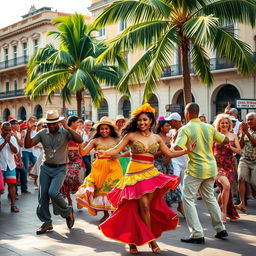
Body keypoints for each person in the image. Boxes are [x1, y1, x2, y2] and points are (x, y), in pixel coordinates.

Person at [97, 104, 196, 254]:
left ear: (151, 121)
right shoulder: (130, 136)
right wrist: (104, 153)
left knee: (144, 208)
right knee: (139, 206)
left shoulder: (156, 137)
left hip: (150, 174)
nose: (141, 123)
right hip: (133, 175)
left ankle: (136, 241)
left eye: (145, 120)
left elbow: (169, 153)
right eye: (139, 120)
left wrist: (187, 150)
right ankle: (149, 241)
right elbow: (117, 149)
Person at [174, 103, 229, 244]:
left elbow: (177, 148)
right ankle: (220, 229)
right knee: (210, 197)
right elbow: (226, 140)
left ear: (187, 114)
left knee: (188, 199)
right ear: (197, 113)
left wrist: (174, 143)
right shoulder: (209, 127)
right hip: (210, 168)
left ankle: (197, 234)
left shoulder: (185, 129)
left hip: (195, 170)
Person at [24, 110, 83, 235]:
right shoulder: (42, 133)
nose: (51, 126)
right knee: (43, 196)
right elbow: (28, 145)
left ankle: (68, 211)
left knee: (53, 192)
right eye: (49, 123)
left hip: (60, 168)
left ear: (58, 122)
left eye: (54, 123)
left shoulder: (66, 132)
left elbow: (80, 140)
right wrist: (29, 130)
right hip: (45, 167)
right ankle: (47, 223)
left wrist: (67, 127)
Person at [75, 116, 123, 223]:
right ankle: (106, 214)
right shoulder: (95, 140)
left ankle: (112, 214)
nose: (104, 131)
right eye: (102, 129)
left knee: (111, 190)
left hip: (114, 168)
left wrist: (118, 156)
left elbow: (125, 151)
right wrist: (79, 142)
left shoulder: (117, 139)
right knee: (100, 190)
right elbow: (83, 153)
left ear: (110, 129)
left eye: (106, 128)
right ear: (99, 129)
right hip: (99, 168)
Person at [213, 114, 241, 223]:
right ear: (219, 124)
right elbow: (211, 151)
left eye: (226, 123)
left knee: (224, 189)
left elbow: (239, 151)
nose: (224, 124)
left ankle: (217, 209)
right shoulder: (215, 135)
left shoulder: (233, 136)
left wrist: (231, 147)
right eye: (222, 122)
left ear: (229, 124)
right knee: (226, 185)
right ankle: (223, 212)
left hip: (230, 164)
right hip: (217, 164)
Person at [154, 118, 185, 216]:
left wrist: (169, 155)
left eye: (169, 126)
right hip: (159, 163)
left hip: (169, 163)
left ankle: (180, 206)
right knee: (162, 187)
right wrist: (165, 150)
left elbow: (172, 151)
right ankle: (164, 209)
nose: (169, 127)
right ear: (161, 127)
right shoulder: (156, 137)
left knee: (174, 183)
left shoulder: (169, 137)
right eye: (167, 126)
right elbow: (153, 154)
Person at [235, 112, 256, 212]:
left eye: (251, 119)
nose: (248, 122)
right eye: (247, 119)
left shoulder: (250, 131)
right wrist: (243, 134)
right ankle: (242, 203)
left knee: (254, 182)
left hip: (255, 161)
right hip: (244, 159)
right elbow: (240, 145)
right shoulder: (245, 131)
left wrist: (247, 133)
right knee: (241, 179)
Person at [60, 115, 83, 207]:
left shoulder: (79, 132)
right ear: (72, 122)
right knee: (67, 180)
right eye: (77, 122)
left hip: (76, 158)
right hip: (66, 158)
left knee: (71, 178)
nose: (78, 124)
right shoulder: (64, 132)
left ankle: (78, 200)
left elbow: (80, 145)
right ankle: (70, 199)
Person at [0, 122, 19, 212]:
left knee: (12, 185)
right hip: (1, 166)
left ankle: (13, 205)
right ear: (1, 129)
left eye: (9, 130)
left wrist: (10, 143)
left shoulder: (13, 139)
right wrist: (4, 142)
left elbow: (16, 151)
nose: (7, 132)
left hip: (10, 166)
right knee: (1, 187)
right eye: (5, 130)